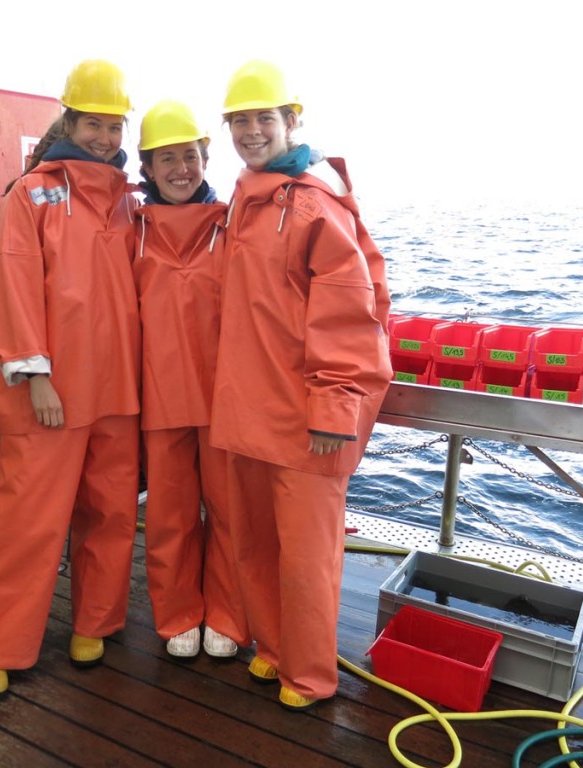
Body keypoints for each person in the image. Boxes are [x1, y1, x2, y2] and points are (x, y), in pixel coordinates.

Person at [210, 60, 393, 710]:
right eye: (240, 120)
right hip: (249, 414)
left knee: (307, 560)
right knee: (255, 545)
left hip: (307, 422)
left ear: (292, 121)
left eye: (264, 117)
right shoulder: (244, 198)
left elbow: (350, 315)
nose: (252, 131)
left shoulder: (316, 204)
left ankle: (310, 676)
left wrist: (335, 408)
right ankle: (274, 649)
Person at [0, 59, 141, 698]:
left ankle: (96, 622)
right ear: (69, 120)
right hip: (51, 395)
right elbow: (9, 285)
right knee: (30, 523)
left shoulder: (129, 200)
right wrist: (35, 374)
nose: (103, 136)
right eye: (93, 123)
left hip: (118, 392)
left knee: (112, 512)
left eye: (114, 125)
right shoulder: (30, 194)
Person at [132, 100, 250, 659]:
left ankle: (227, 614)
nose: (181, 168)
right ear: (148, 167)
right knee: (169, 516)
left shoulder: (234, 223)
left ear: (206, 159)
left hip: (225, 397)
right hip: (158, 396)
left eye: (191, 156)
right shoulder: (128, 228)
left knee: (230, 514)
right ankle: (178, 612)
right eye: (167, 159)